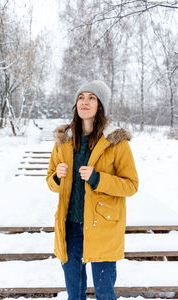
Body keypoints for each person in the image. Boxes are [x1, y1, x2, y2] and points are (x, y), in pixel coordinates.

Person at [46, 80, 139, 300]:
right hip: (70, 227)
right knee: (74, 293)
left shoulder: (116, 143)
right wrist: (57, 178)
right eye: (81, 97)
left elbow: (131, 185)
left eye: (91, 97)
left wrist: (98, 179)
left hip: (102, 226)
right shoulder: (63, 141)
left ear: (101, 106)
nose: (84, 102)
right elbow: (50, 181)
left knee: (105, 292)